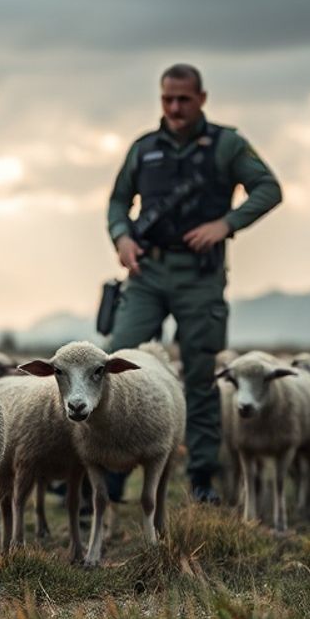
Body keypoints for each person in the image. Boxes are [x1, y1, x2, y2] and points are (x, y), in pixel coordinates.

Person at [104, 64, 282, 505]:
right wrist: (122, 237)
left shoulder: (227, 145)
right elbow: (117, 201)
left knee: (201, 378)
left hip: (200, 278)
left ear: (202, 98)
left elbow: (268, 188)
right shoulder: (143, 149)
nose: (175, 108)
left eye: (184, 99)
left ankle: (202, 478)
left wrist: (227, 223)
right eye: (167, 99)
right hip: (147, 273)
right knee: (116, 364)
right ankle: (110, 473)